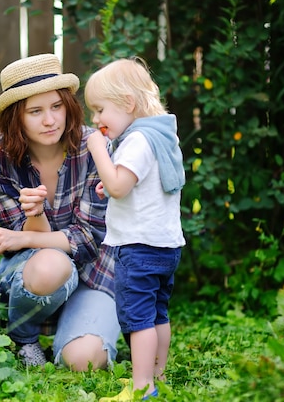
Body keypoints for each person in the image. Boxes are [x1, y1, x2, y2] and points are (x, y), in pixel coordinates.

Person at [0, 53, 120, 371]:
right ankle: (23, 339)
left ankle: (72, 330)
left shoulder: (92, 146)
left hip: (95, 273)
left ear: (67, 105)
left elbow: (90, 238)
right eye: (35, 111)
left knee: (84, 361)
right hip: (38, 269)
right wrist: (35, 214)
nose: (50, 120)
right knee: (51, 265)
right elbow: (30, 245)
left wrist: (19, 236)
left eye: (56, 106)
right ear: (16, 117)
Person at [84, 58, 186, 401]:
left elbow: (118, 186)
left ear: (128, 103)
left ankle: (143, 387)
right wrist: (111, 183)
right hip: (165, 247)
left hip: (139, 248)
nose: (96, 120)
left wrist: (99, 151)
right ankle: (158, 378)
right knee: (158, 312)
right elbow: (135, 184)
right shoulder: (161, 136)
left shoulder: (137, 141)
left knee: (138, 318)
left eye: (100, 110)